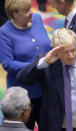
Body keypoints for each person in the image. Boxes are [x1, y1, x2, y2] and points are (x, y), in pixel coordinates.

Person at [0, 0, 51, 130]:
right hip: (24, 95)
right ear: (15, 14)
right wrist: (36, 65)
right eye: (26, 10)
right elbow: (8, 63)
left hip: (46, 88)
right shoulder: (4, 32)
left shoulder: (38, 19)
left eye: (30, 8)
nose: (31, 12)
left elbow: (46, 45)